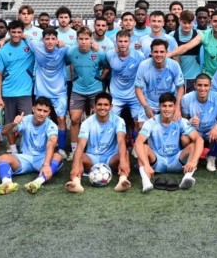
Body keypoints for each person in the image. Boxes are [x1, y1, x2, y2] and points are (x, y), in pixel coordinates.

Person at [135, 93, 203, 192]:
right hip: (157, 161)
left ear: (175, 107)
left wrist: (193, 161)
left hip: (176, 160)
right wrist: (146, 164)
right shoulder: (151, 122)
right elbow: (138, 142)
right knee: (143, 147)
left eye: (170, 106)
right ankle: (145, 181)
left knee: (193, 146)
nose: (167, 109)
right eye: (164, 106)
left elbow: (199, 139)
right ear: (159, 106)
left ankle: (187, 177)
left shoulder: (181, 121)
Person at [65, 93, 131, 193]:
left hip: (111, 157)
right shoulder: (87, 122)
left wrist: (122, 161)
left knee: (124, 153)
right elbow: (81, 145)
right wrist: (74, 166)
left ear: (111, 107)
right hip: (93, 158)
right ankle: (76, 183)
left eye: (106, 105)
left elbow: (121, 141)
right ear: (94, 106)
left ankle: (122, 181)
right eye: (99, 104)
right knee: (78, 156)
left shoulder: (119, 121)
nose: (102, 107)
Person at [0, 97, 63, 195]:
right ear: (33, 109)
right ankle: (7, 183)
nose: (41, 113)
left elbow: (51, 143)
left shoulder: (51, 125)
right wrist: (13, 123)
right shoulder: (26, 119)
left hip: (42, 160)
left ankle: (37, 182)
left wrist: (46, 164)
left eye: (45, 111)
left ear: (49, 113)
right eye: (39, 110)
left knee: (58, 156)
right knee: (2, 158)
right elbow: (3, 132)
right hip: (25, 158)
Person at [67, 26, 109, 160]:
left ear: (91, 39)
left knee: (98, 118)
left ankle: (96, 147)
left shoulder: (99, 53)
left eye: (86, 39)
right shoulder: (71, 52)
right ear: (77, 39)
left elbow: (107, 66)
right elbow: (66, 63)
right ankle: (74, 150)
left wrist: (101, 78)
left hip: (95, 90)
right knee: (74, 119)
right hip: (77, 89)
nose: (83, 42)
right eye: (81, 39)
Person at [169, 10, 217, 77]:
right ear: (210, 22)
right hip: (209, 77)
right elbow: (186, 47)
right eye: (215, 21)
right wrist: (167, 55)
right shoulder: (204, 34)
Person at [0, 20, 34, 154]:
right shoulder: (2, 51)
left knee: (27, 122)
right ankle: (12, 148)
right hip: (8, 92)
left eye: (19, 32)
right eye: (13, 32)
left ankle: (27, 147)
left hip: (25, 92)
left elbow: (40, 43)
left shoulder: (29, 47)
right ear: (9, 32)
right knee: (9, 123)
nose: (16, 35)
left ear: (23, 33)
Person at [29, 28, 70, 157]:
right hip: (42, 91)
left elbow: (80, 49)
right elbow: (23, 35)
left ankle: (62, 148)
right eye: (47, 39)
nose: (50, 41)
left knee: (61, 118)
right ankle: (40, 146)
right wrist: (4, 39)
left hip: (59, 92)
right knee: (40, 118)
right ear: (43, 40)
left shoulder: (64, 50)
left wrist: (93, 45)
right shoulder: (36, 46)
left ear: (57, 40)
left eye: (53, 39)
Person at [181, 73, 217, 171]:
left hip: (211, 130)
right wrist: (190, 121)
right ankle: (192, 156)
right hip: (195, 131)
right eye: (199, 85)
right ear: (195, 85)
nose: (202, 88)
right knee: (184, 139)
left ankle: (211, 156)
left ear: (210, 86)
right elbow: (183, 120)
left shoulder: (216, 97)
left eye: (206, 85)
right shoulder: (186, 98)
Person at [135, 39, 185, 122]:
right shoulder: (143, 65)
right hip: (150, 102)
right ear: (151, 52)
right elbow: (138, 88)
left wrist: (177, 108)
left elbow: (180, 87)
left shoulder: (174, 65)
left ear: (166, 52)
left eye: (162, 52)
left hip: (169, 102)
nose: (159, 54)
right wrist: (146, 107)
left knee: (175, 123)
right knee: (141, 126)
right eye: (156, 52)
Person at [106, 30, 147, 131]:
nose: (123, 44)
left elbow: (144, 72)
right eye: (120, 41)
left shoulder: (139, 56)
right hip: (116, 95)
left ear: (130, 42)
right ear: (116, 42)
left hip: (134, 95)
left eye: (125, 41)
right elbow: (105, 67)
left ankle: (135, 145)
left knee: (139, 123)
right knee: (110, 122)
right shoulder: (109, 54)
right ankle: (116, 144)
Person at [171, 11, 202, 93]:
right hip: (177, 77)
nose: (187, 26)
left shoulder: (199, 34)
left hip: (194, 77)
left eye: (189, 23)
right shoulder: (172, 35)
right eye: (184, 23)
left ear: (193, 22)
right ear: (179, 21)